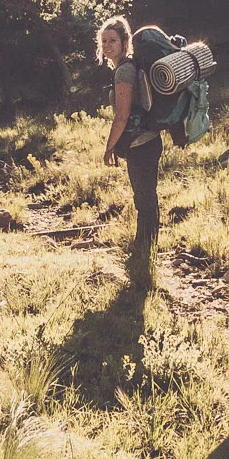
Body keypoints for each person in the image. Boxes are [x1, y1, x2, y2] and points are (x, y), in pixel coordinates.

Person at [98, 14, 163, 274]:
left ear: (125, 42)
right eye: (103, 41)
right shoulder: (127, 67)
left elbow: (122, 115)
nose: (107, 45)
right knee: (147, 197)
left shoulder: (125, 70)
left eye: (112, 40)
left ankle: (144, 254)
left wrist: (109, 147)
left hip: (141, 144)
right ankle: (146, 249)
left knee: (144, 198)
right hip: (147, 141)